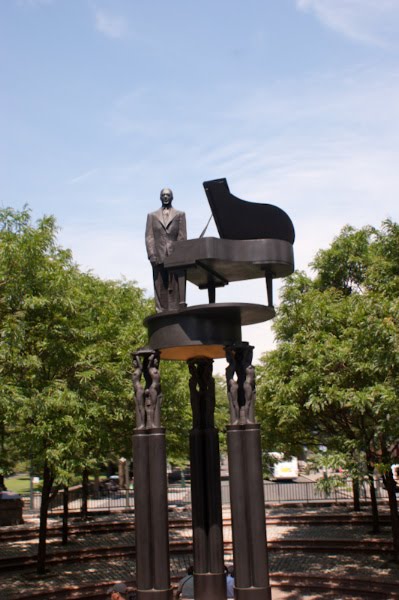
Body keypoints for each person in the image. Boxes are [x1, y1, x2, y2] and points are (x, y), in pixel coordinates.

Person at [145, 188, 187, 312]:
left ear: (172, 197)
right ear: (160, 197)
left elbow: (182, 236)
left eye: (168, 195)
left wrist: (180, 254)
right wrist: (151, 254)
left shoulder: (180, 214)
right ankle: (161, 311)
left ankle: (175, 310)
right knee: (159, 285)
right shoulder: (152, 216)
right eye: (163, 195)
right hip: (158, 255)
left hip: (174, 255)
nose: (165, 197)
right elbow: (149, 236)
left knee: (175, 285)